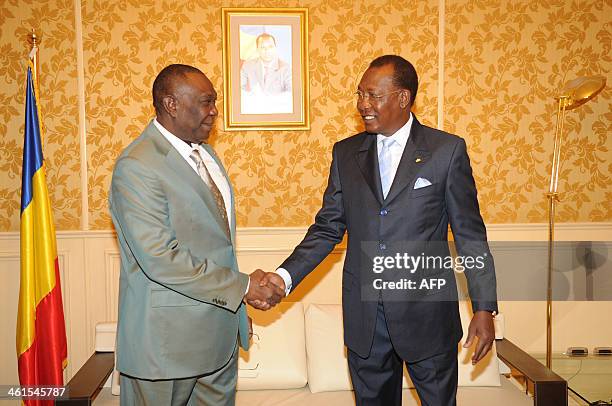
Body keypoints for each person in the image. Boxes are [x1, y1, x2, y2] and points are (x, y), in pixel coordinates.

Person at [260, 55, 498, 406]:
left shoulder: (446, 151)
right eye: (359, 95)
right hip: (366, 321)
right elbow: (327, 228)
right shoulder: (345, 154)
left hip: (428, 317)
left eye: (373, 96)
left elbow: (470, 235)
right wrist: (283, 277)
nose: (362, 105)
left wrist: (484, 306)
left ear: (403, 98)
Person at [109, 64, 283, 406]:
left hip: (218, 342)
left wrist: (234, 308)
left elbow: (215, 247)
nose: (215, 111)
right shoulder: (138, 165)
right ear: (171, 104)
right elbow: (161, 258)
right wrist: (245, 287)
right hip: (165, 350)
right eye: (206, 101)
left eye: (214, 101)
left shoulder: (207, 155)